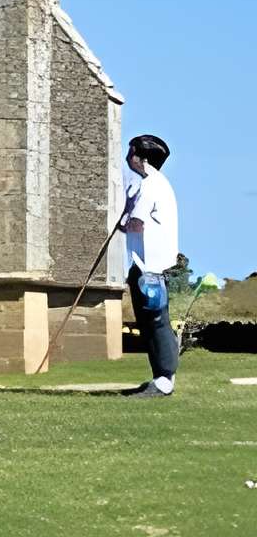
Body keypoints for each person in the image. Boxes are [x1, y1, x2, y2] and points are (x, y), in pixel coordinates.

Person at [120, 134, 181, 399]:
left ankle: (165, 380)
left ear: (140, 156)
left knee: (155, 321)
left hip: (150, 267)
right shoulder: (155, 184)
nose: (128, 157)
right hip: (146, 265)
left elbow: (137, 222)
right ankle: (161, 378)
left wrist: (122, 223)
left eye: (131, 151)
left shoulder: (151, 185)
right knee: (150, 322)